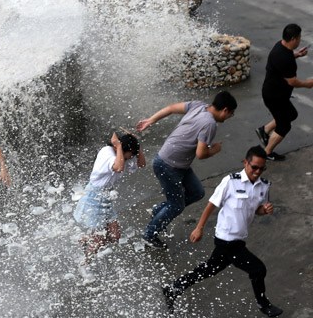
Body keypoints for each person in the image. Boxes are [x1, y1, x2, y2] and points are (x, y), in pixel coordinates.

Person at [162, 146, 283, 317]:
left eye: (261, 168)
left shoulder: (263, 186)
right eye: (254, 167)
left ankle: (173, 288)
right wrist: (199, 227)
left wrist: (266, 210)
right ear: (245, 163)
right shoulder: (231, 181)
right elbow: (212, 204)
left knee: (210, 269)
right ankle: (264, 304)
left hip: (239, 238)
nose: (257, 171)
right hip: (227, 239)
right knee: (258, 270)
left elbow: (256, 210)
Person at [136, 91, 237, 248]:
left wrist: (151, 120)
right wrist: (215, 150)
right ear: (225, 110)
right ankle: (149, 235)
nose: (228, 117)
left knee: (197, 192)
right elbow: (201, 153)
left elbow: (170, 108)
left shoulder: (199, 105)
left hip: (176, 164)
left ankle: (158, 211)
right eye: (230, 114)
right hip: (168, 165)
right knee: (176, 205)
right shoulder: (210, 124)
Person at [74, 130, 146, 262]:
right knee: (99, 238)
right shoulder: (107, 152)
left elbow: (141, 164)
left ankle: (84, 239)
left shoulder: (121, 155)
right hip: (93, 198)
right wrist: (119, 146)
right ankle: (84, 264)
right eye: (129, 155)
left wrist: (138, 146)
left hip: (105, 198)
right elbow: (118, 167)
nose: (130, 159)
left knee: (115, 236)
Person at [256, 24, 312, 161]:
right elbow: (292, 82)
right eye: (299, 38)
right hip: (275, 97)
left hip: (277, 94)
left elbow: (285, 59)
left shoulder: (280, 46)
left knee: (291, 114)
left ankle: (264, 130)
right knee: (284, 125)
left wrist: (297, 54)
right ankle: (267, 153)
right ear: (293, 38)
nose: (300, 40)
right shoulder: (285, 59)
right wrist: (308, 84)